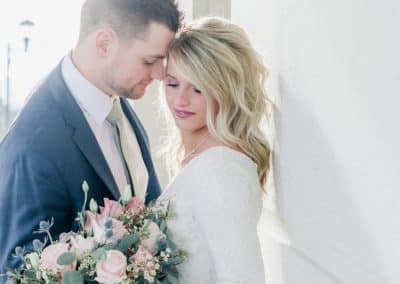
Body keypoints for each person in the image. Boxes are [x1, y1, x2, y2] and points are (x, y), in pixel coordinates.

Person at [0, 0, 182, 272]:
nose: (159, 74)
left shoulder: (118, 104)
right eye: (150, 60)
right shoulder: (34, 142)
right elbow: (17, 272)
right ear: (104, 43)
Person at [159, 17, 272, 283]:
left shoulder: (221, 171)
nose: (181, 100)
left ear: (225, 90)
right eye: (172, 83)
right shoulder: (203, 158)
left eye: (198, 88)